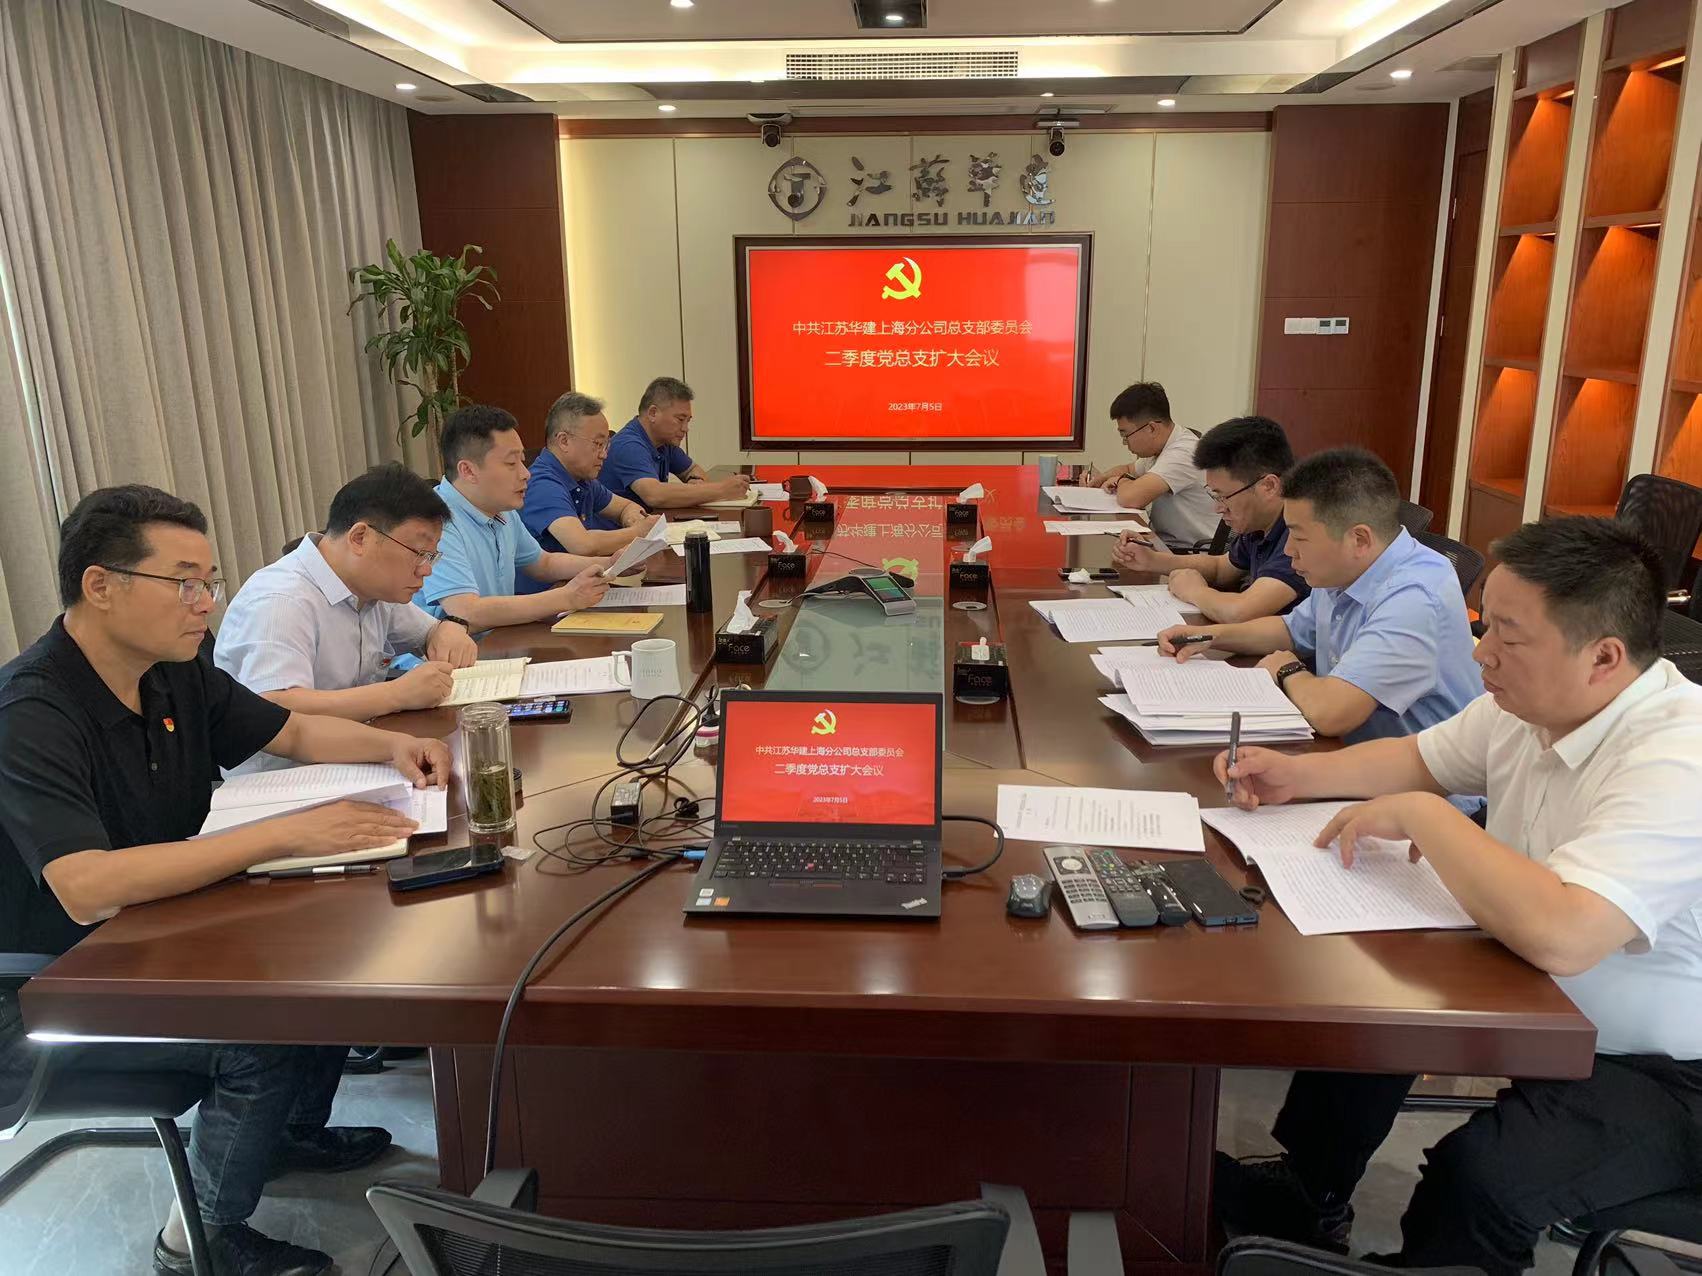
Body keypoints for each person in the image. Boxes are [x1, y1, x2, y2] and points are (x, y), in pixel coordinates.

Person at [1211, 516, 1702, 1276]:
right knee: (1375, 995)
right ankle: (1309, 1195)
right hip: (1539, 996)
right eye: (1484, 623)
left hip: (1667, 1067)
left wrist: (1426, 817)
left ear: (1603, 657)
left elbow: (1567, 933)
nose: (1480, 652)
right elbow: (1418, 759)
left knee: (1483, 1179)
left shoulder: (1677, 757)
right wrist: (1293, 776)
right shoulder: (1528, 706)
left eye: (1508, 635)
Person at [0, 485, 454, 1276]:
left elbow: (292, 729)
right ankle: (196, 1239)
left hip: (146, 928)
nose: (205, 602)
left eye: (207, 581)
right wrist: (280, 835)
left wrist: (393, 748)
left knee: (325, 949)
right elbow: (85, 886)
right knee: (260, 1024)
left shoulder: (174, 669)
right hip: (47, 987)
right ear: (100, 586)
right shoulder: (31, 712)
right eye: (184, 583)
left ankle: (283, 1135)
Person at [1156, 448, 1481, 743]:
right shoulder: (1346, 568)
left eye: (1299, 537)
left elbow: (1331, 713)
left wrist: (1287, 669)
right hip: (1353, 756)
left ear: (1359, 539)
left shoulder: (1415, 596)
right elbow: (1291, 630)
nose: (1288, 550)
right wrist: (1210, 636)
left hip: (1422, 783)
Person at [216, 463, 480, 770]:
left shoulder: (373, 588)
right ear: (359, 538)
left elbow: (430, 632)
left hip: (357, 756)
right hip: (285, 780)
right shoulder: (280, 600)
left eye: (431, 556)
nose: (426, 570)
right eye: (418, 553)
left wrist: (448, 630)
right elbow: (276, 705)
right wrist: (395, 694)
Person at [415, 404, 612, 628]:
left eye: (522, 461)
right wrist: (566, 597)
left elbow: (543, 563)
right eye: (511, 463)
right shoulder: (436, 522)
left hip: (499, 638)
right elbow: (466, 611)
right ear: (468, 471)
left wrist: (609, 563)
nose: (525, 473)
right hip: (449, 648)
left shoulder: (502, 510)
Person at [1112, 415, 1308, 622]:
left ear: (1268, 486)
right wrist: (1152, 560)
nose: (1218, 508)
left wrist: (1195, 591)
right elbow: (1221, 568)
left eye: (1224, 496)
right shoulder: (1261, 522)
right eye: (1215, 496)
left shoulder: (1299, 534)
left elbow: (1241, 611)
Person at [517, 391, 663, 594]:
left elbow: (625, 507)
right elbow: (582, 545)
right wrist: (639, 532)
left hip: (578, 587)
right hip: (546, 600)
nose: (604, 454)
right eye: (598, 444)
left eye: (606, 445)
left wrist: (633, 519)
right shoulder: (542, 483)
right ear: (564, 441)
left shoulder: (583, 479)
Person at [1082, 382, 1218, 546]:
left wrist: (1121, 480)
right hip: (1166, 542)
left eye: (1126, 435)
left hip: (1188, 551)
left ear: (1151, 428)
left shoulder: (1183, 453)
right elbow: (1129, 469)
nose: (1124, 443)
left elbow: (1131, 498)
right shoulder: (1161, 447)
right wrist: (1101, 478)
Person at [599, 376, 751, 510]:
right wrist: (722, 489)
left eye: (688, 421)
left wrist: (696, 481)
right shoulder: (628, 445)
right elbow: (654, 495)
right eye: (680, 419)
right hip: (619, 531)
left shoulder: (665, 443)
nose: (685, 429)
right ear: (653, 413)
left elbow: (693, 469)